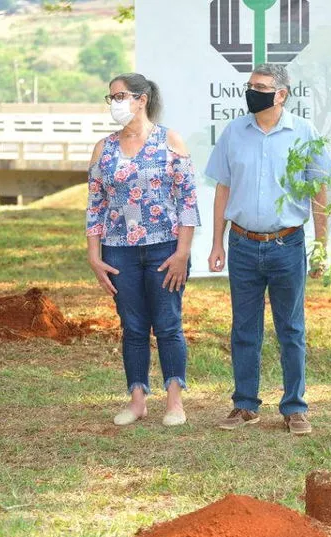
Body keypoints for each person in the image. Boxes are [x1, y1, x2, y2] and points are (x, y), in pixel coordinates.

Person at [205, 63, 330, 436]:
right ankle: (245, 404)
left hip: (287, 244)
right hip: (242, 243)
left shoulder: (305, 133)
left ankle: (294, 407)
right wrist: (216, 242)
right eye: (249, 85)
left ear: (281, 94)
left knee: (291, 328)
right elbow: (222, 188)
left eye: (260, 86)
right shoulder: (233, 132)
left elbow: (319, 191)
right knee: (244, 328)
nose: (251, 91)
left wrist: (320, 245)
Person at [86, 73, 201, 427]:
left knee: (168, 325)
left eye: (119, 96)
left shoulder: (170, 141)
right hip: (118, 251)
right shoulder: (103, 148)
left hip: (165, 248)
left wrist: (182, 252)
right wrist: (94, 256)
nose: (114, 103)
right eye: (111, 98)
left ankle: (175, 402)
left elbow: (188, 201)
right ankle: (137, 401)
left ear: (141, 99)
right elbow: (95, 206)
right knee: (133, 327)